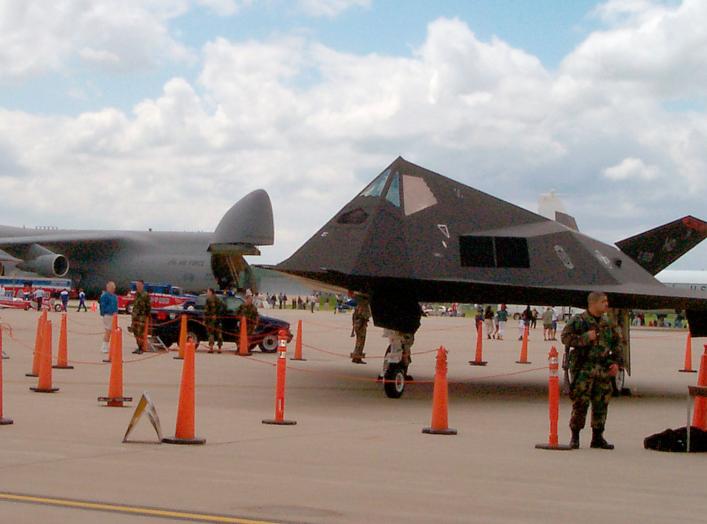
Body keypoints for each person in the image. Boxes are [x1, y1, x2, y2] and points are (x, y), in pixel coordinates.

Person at [561, 292, 624, 450]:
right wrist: (584, 338)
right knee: (580, 403)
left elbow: (618, 344)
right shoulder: (579, 321)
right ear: (593, 304)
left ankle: (598, 437)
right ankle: (575, 436)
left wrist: (617, 363)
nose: (606, 304)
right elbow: (565, 338)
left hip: (603, 368)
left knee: (601, 403)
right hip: (583, 369)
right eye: (603, 302)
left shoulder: (608, 323)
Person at [130, 280, 151, 354]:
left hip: (142, 317)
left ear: (142, 285)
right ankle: (138, 346)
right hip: (135, 316)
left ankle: (141, 348)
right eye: (136, 285)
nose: (137, 286)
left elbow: (148, 306)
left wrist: (147, 315)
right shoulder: (136, 294)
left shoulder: (145, 295)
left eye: (139, 285)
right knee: (135, 332)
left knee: (140, 332)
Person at [350, 295, 371, 364]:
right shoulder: (364, 307)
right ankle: (357, 358)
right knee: (361, 341)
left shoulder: (358, 306)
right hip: (361, 326)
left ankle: (356, 357)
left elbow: (353, 316)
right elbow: (366, 316)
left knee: (358, 341)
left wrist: (353, 327)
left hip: (357, 325)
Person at [99, 281, 118, 354]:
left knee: (112, 331)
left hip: (114, 315)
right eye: (112, 288)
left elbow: (115, 306)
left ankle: (110, 346)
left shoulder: (114, 296)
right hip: (108, 315)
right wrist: (105, 313)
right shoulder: (105, 296)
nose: (113, 289)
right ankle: (104, 347)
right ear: (108, 288)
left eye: (114, 288)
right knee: (108, 331)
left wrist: (116, 312)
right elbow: (102, 306)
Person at [204, 288, 224, 353]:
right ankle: (219, 348)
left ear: (211, 292)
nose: (207, 293)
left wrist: (205, 319)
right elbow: (223, 307)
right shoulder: (218, 299)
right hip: (218, 319)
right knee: (219, 333)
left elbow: (206, 311)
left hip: (211, 319)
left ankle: (211, 347)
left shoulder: (208, 299)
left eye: (208, 291)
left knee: (211, 333)